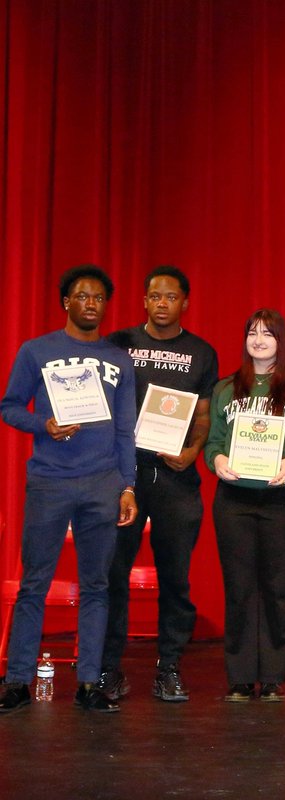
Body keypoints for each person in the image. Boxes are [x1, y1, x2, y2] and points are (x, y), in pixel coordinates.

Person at [0, 265, 138, 713]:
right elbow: (9, 407)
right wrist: (45, 424)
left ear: (105, 305)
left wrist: (128, 485)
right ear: (66, 302)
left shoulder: (119, 360)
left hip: (102, 482)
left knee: (96, 585)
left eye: (98, 297)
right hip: (49, 480)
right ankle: (18, 680)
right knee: (34, 583)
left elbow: (124, 429)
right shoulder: (36, 351)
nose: (91, 304)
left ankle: (88, 683)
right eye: (82, 296)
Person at [98, 265, 219, 703]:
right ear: (144, 301)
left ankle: (169, 667)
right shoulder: (118, 344)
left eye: (171, 297)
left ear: (185, 302)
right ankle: (108, 669)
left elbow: (203, 415)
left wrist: (191, 453)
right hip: (122, 478)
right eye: (154, 296)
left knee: (175, 579)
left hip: (175, 477)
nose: (162, 303)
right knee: (113, 575)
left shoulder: (202, 353)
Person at [205, 309, 285, 702]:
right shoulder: (226, 388)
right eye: (252, 333)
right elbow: (213, 443)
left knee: (276, 588)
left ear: (280, 341)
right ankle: (239, 677)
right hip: (234, 500)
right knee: (238, 589)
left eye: (267, 334)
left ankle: (271, 677)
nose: (258, 340)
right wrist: (217, 461)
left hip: (282, 501)